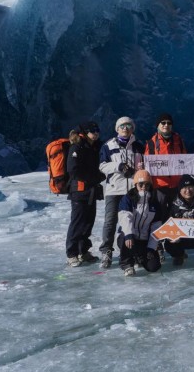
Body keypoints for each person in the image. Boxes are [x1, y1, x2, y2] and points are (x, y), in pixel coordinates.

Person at [97, 116, 145, 268]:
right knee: (110, 221)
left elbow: (146, 165)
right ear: (117, 129)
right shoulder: (108, 146)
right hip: (114, 189)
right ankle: (106, 251)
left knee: (134, 220)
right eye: (122, 126)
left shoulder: (138, 146)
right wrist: (119, 166)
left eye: (128, 126)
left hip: (132, 189)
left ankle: (134, 251)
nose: (125, 128)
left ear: (132, 129)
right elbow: (102, 166)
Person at [66, 121, 106, 267]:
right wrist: (95, 177)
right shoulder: (77, 147)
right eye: (92, 131)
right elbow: (73, 170)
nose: (95, 133)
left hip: (91, 190)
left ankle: (83, 251)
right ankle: (71, 254)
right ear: (84, 132)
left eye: (97, 130)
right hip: (79, 191)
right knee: (77, 222)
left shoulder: (95, 147)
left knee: (88, 222)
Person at [116, 170, 165, 276]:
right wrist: (129, 235)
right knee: (126, 235)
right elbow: (125, 217)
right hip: (128, 237)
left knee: (154, 267)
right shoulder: (128, 198)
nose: (144, 187)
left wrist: (151, 248)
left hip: (144, 240)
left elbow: (156, 227)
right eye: (141, 184)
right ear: (135, 185)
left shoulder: (154, 202)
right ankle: (127, 264)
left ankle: (138, 257)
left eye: (147, 184)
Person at [144, 113, 187, 201]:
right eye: (163, 123)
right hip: (159, 186)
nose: (166, 125)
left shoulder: (178, 140)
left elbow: (186, 159)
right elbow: (147, 164)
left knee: (176, 213)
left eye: (169, 123)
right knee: (161, 213)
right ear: (158, 125)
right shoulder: (151, 143)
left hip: (177, 185)